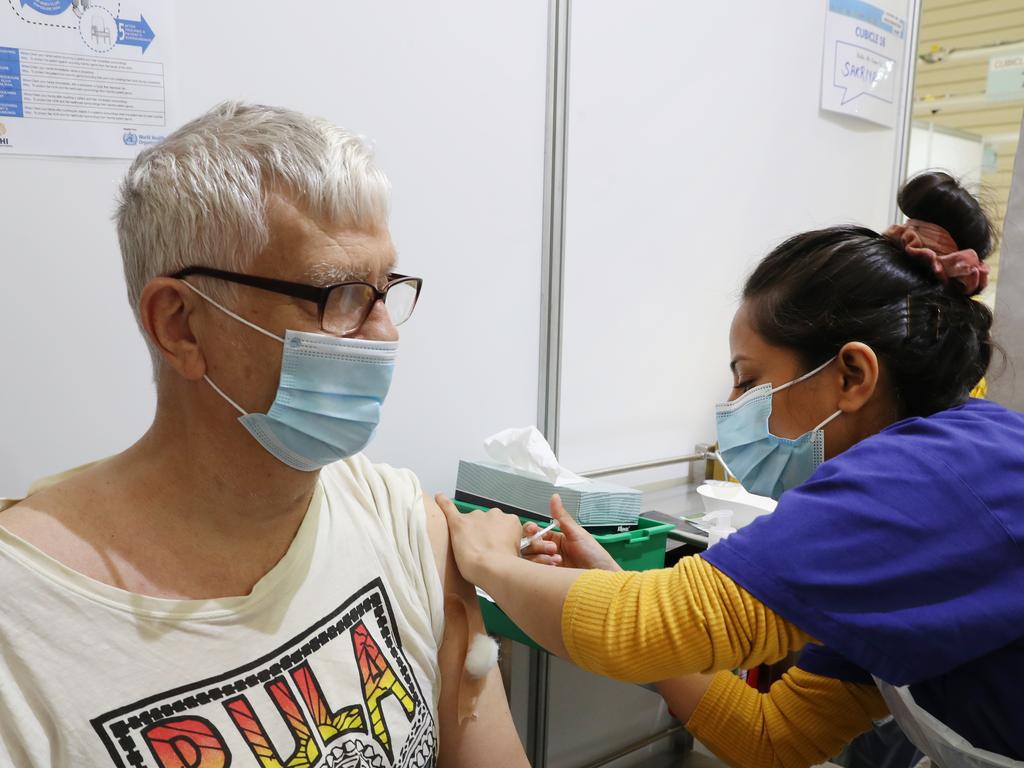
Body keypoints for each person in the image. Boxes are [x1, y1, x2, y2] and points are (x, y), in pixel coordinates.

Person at [0, 102, 526, 767]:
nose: (385, 334)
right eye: (339, 294)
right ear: (181, 326)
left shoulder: (404, 527)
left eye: (384, 288)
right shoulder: (22, 633)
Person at [439, 172, 1024, 767]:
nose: (734, 405)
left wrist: (487, 558)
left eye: (748, 379)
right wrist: (614, 578)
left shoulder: (921, 478)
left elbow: (632, 630)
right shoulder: (930, 482)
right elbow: (775, 736)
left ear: (852, 376)